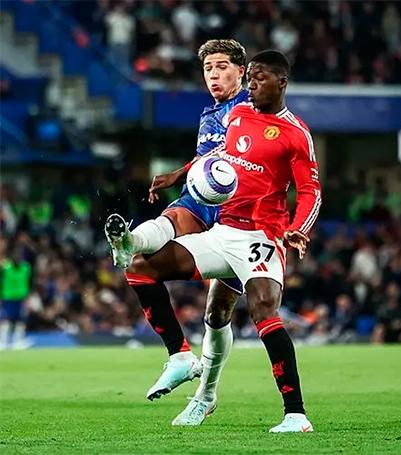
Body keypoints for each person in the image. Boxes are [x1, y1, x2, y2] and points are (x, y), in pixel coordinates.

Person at [109, 50, 321, 432]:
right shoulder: (238, 117)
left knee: (263, 311)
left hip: (262, 236)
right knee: (140, 267)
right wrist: (179, 174)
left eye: (259, 79)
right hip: (224, 231)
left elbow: (310, 190)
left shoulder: (295, 134)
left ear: (282, 83)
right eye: (250, 78)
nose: (252, 85)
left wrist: (299, 228)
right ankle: (185, 364)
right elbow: (221, 154)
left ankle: (295, 414)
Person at [104, 39, 249, 403]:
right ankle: (180, 355)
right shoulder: (209, 113)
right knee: (142, 259)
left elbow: (235, 150)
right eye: (208, 68)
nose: (213, 75)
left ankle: (207, 394)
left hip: (240, 213)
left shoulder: (251, 107)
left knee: (218, 313)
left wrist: (179, 172)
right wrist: (183, 174)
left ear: (241, 71)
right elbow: (209, 157)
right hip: (201, 201)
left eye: (222, 67)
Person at [0, 245, 32, 349]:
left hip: (21, 298)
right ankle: (3, 342)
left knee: (20, 320)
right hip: (8, 298)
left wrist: (28, 297)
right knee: (6, 320)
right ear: (11, 257)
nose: (17, 258)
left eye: (19, 256)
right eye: (15, 256)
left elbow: (29, 283)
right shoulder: (5, 267)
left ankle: (18, 342)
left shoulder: (26, 268)